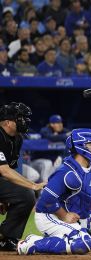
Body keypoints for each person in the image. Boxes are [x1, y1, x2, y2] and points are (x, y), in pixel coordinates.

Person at [16, 129, 91, 255]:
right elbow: (46, 199)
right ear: (80, 147)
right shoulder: (67, 172)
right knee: (83, 242)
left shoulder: (90, 165)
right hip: (49, 215)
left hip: (71, 210)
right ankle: (32, 243)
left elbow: (89, 185)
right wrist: (64, 216)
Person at [0, 102, 45, 251]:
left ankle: (5, 237)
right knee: (28, 191)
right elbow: (4, 171)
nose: (25, 121)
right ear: (7, 122)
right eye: (20, 118)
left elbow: (10, 171)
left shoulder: (17, 138)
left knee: (25, 195)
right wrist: (33, 184)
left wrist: (6, 198)